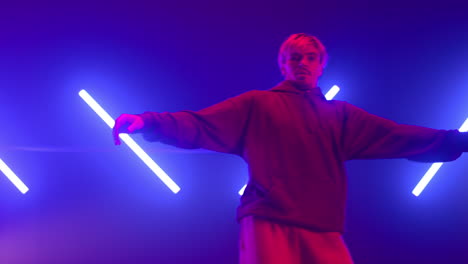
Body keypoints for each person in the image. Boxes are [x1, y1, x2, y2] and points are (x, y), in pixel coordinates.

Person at [112, 33, 468, 264]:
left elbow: (393, 134)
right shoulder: (258, 104)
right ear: (283, 64)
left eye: (310, 57)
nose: (302, 64)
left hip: (322, 224)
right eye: (295, 57)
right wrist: (148, 122)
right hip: (269, 218)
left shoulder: (338, 116)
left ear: (321, 65)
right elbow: (202, 123)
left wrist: (457, 140)